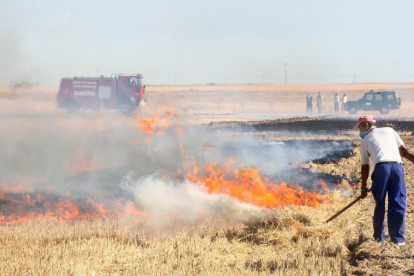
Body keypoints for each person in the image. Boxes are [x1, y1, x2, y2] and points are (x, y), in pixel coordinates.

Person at [355, 115, 406, 245]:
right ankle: (398, 239)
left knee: (380, 203)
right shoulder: (390, 130)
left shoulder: (365, 140)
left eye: (360, 127)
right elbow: (403, 151)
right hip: (397, 168)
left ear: (366, 125)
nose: (359, 131)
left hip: (382, 169)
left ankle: (379, 238)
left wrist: (363, 188)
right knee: (398, 201)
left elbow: (365, 166)